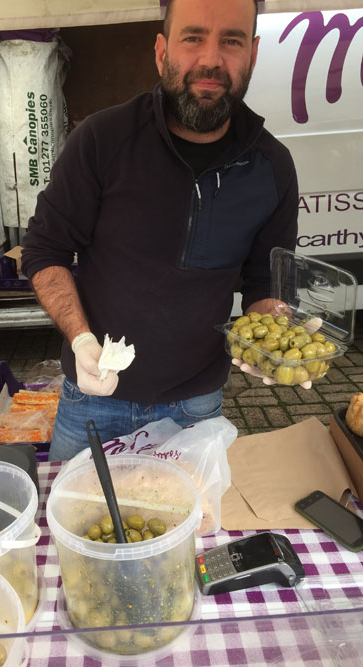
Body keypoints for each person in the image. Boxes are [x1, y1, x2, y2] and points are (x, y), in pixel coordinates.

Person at [21, 0, 299, 461]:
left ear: (251, 54)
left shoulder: (273, 167)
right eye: (193, 38)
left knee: (194, 532)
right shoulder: (100, 140)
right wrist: (82, 339)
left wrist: (271, 334)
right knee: (73, 529)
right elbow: (45, 251)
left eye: (230, 41)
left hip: (196, 407)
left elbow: (264, 283)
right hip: (94, 399)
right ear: (161, 51)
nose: (210, 59)